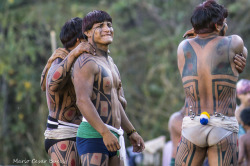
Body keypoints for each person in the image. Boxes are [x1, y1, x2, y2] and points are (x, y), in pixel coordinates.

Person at [176, 0, 248, 165]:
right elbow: (243, 52)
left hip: (193, 123)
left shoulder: (183, 47)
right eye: (224, 22)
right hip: (223, 125)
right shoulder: (233, 42)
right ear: (218, 25)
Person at [71, 10, 145, 166]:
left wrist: (132, 132)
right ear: (87, 32)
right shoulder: (85, 61)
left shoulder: (110, 62)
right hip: (94, 136)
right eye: (100, 26)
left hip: (113, 136)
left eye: (109, 25)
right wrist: (104, 132)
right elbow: (82, 101)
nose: (107, 29)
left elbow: (115, 103)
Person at [40, 17, 94, 166]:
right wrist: (73, 54)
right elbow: (50, 85)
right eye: (88, 37)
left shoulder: (76, 60)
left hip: (79, 133)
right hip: (62, 134)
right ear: (79, 40)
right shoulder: (60, 59)